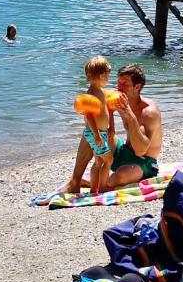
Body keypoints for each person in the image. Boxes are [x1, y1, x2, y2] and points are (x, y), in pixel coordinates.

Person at [65, 63, 163, 192]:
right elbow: (99, 112)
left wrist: (130, 116)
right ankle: (75, 180)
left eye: (125, 85)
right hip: (123, 151)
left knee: (120, 176)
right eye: (118, 83)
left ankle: (96, 183)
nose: (119, 88)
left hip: (143, 162)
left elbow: (140, 150)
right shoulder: (119, 100)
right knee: (91, 133)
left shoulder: (149, 112)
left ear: (137, 87)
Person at [62, 56, 115, 194]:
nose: (109, 76)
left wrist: (110, 128)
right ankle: (103, 188)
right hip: (95, 134)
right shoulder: (92, 94)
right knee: (108, 161)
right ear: (102, 75)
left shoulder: (100, 91)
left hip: (99, 133)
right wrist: (97, 135)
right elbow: (89, 116)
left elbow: (105, 111)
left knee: (98, 163)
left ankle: (94, 190)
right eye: (108, 73)